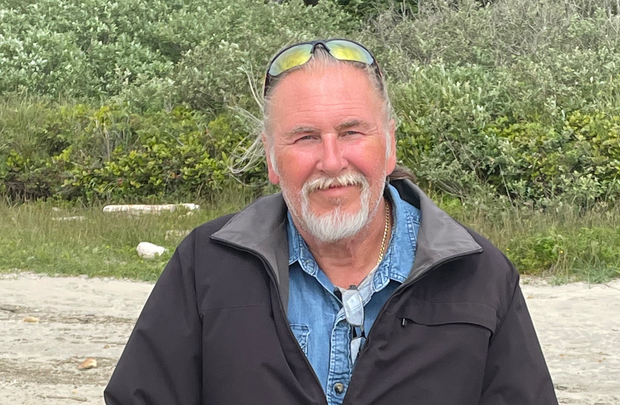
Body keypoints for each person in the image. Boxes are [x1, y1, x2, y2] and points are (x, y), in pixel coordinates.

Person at [104, 39, 558, 405]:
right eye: (305, 137)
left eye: (351, 132)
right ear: (272, 158)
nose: (332, 160)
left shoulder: (479, 274)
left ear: (389, 145)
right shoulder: (206, 265)